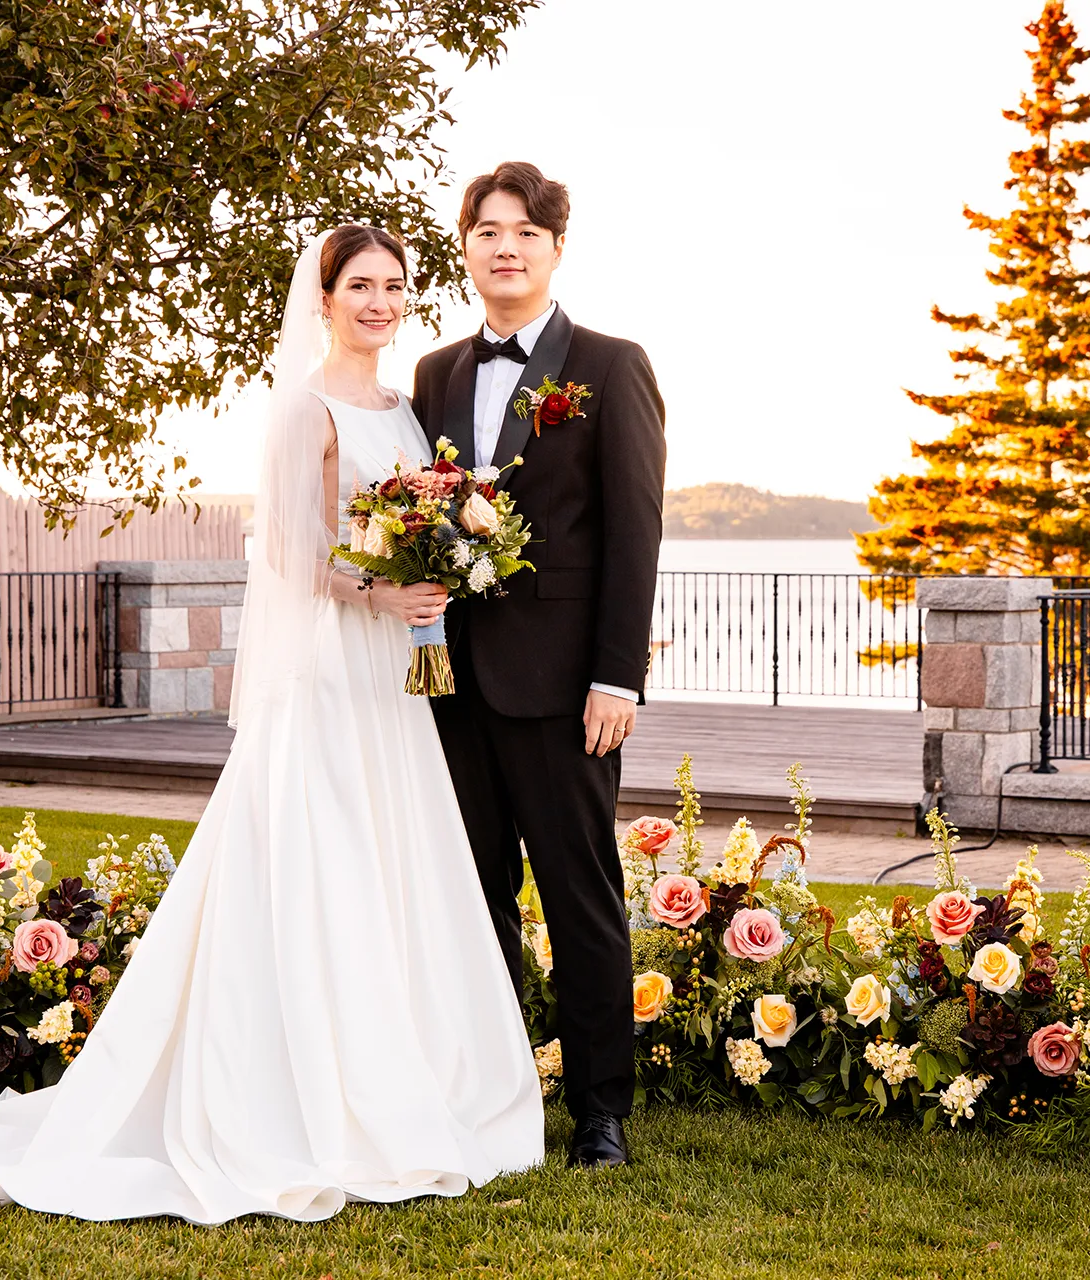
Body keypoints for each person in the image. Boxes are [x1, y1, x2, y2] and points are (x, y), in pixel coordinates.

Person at [0, 226, 544, 1223]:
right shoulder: (307, 407)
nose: (379, 302)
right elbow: (291, 555)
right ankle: (306, 1096)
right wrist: (381, 597)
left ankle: (406, 1075)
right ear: (325, 297)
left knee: (390, 864)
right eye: (360, 286)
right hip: (333, 671)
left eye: (394, 286)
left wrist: (442, 567)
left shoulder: (403, 409)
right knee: (319, 860)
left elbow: (397, 520)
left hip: (394, 682)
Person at [413, 162, 666, 1170]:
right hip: (451, 686)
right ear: (465, 247)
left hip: (566, 690)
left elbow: (634, 531)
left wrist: (619, 675)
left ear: (556, 247)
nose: (504, 246)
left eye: (524, 230)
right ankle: (491, 1093)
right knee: (473, 900)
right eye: (485, 229)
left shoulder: (611, 364)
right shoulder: (432, 373)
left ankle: (602, 1108)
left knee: (579, 895)